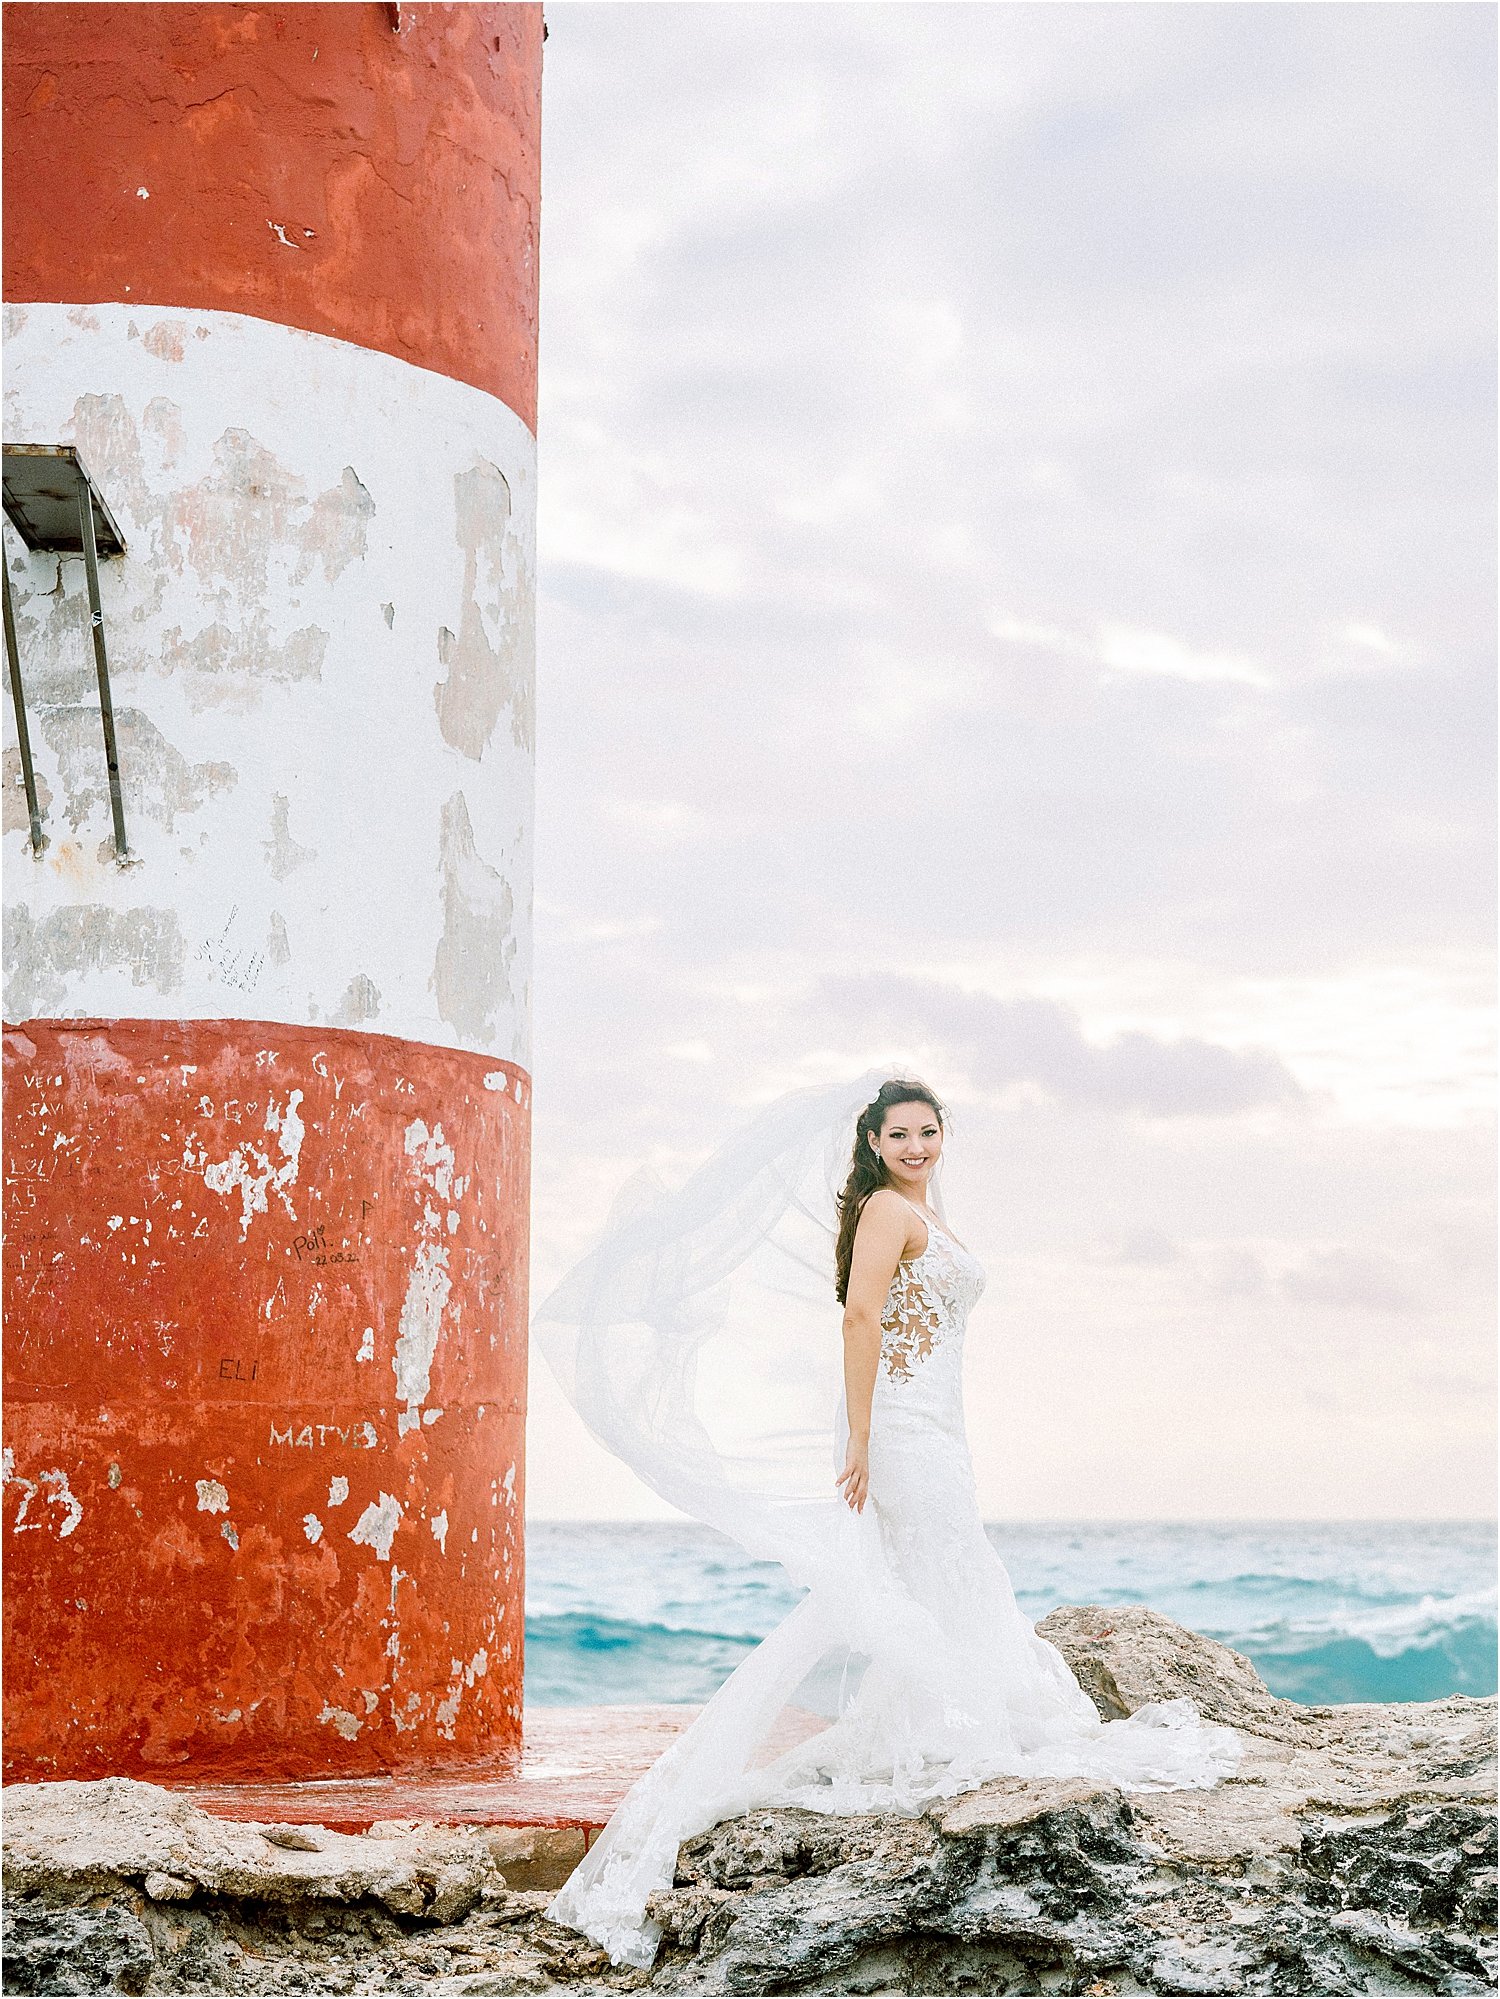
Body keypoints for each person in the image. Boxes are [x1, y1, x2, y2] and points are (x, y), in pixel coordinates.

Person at [535, 1073, 1242, 1969]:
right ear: (872, 1143)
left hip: (937, 1423)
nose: (915, 1146)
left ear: (944, 1137)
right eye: (898, 1134)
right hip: (904, 1427)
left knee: (942, 1573)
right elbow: (861, 1314)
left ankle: (946, 1721)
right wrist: (865, 1437)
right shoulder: (884, 1212)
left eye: (928, 1132)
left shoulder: (926, 1212)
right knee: (941, 1568)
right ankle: (953, 1730)